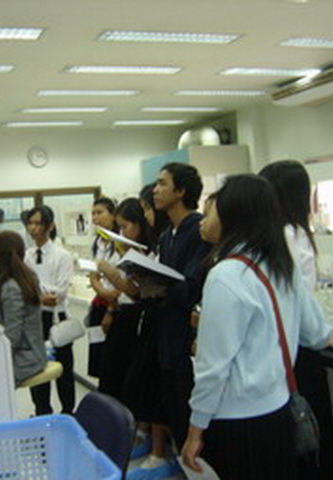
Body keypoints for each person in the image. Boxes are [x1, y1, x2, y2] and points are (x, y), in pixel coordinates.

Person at [181, 174, 333, 479]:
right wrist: (330, 335)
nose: (207, 216)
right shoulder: (281, 264)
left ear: (233, 214)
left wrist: (195, 429)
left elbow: (213, 367)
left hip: (237, 420)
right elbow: (314, 331)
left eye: (214, 209)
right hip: (277, 412)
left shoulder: (227, 275)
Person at [128, 163, 210, 479]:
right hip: (166, 334)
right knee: (173, 409)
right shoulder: (166, 236)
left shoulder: (198, 231)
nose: (156, 189)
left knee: (189, 413)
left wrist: (160, 283)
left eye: (163, 183)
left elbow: (190, 288)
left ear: (181, 190)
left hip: (187, 336)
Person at [260, 159, 333, 479]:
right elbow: (300, 299)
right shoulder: (291, 234)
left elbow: (294, 298)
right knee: (309, 441)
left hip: (286, 351)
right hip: (297, 351)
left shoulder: (280, 235)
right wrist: (323, 332)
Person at [94, 198, 156, 401]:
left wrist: (110, 273)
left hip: (137, 319)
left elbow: (135, 292)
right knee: (110, 375)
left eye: (125, 226)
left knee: (129, 382)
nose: (121, 233)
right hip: (120, 313)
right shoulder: (120, 248)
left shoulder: (152, 252)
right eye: (119, 227)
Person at [24, 205, 75, 415]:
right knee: (37, 371)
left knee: (64, 371)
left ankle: (68, 413)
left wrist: (35, 289)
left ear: (50, 226)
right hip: (34, 319)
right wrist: (38, 294)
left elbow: (58, 295)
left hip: (56, 319)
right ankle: (42, 413)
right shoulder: (26, 255)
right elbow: (24, 290)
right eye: (30, 223)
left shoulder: (62, 255)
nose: (33, 228)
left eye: (38, 223)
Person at [0, 230, 47, 386]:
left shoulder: (11, 288)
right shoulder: (28, 276)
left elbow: (12, 336)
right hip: (34, 354)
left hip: (26, 359)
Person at [86, 197, 120, 378]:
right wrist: (103, 292)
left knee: (112, 362)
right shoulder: (96, 243)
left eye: (99, 213)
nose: (95, 217)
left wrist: (110, 308)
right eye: (93, 213)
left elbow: (121, 280)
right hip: (99, 303)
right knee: (98, 359)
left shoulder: (120, 242)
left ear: (113, 215)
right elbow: (93, 277)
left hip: (115, 307)